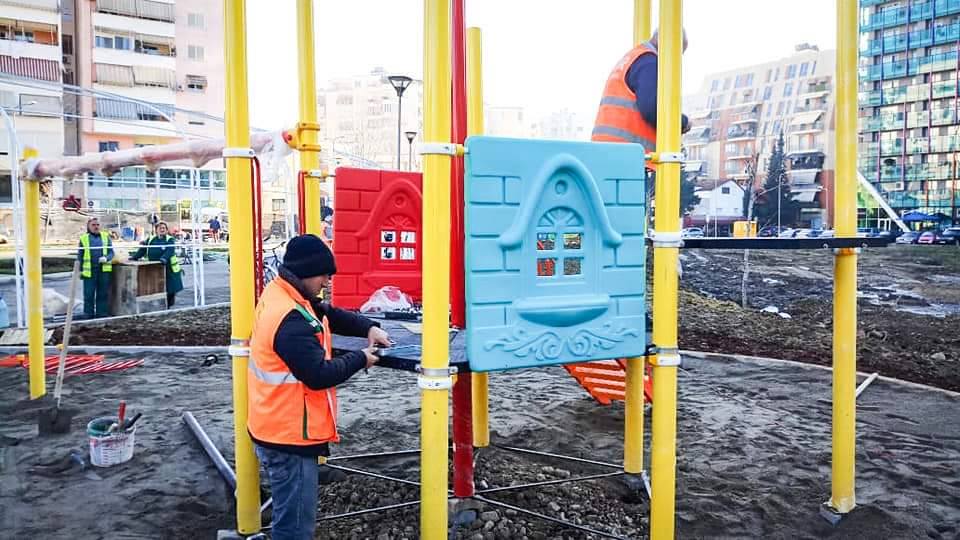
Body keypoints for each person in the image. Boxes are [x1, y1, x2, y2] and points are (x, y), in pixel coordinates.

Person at [247, 234, 390, 540]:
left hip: (275, 426)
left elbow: (327, 313)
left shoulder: (285, 294)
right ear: (306, 272)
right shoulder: (289, 318)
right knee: (295, 527)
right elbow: (319, 374)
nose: (327, 281)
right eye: (324, 275)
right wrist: (361, 358)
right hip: (289, 437)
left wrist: (368, 327)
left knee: (291, 516)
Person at [592, 28, 690, 150]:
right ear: (666, 42)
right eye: (676, 53)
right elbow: (652, 108)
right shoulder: (649, 62)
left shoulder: (633, 58)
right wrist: (683, 123)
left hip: (608, 150)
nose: (675, 61)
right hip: (628, 154)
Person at [129, 222, 184, 308]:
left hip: (169, 268)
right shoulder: (151, 239)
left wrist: (164, 258)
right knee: (158, 287)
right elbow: (143, 250)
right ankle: (160, 305)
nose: (162, 230)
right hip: (155, 268)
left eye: (164, 228)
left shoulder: (169, 239)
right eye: (160, 228)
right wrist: (135, 257)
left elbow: (170, 250)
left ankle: (169, 305)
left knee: (170, 287)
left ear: (166, 230)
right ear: (156, 230)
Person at [77, 218, 114, 319]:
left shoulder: (106, 237)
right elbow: (80, 256)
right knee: (88, 294)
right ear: (88, 227)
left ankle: (101, 314)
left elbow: (111, 252)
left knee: (102, 293)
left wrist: (106, 258)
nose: (96, 226)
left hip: (103, 270)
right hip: (89, 272)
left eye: (97, 224)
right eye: (93, 225)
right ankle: (88, 314)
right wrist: (79, 271)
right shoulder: (84, 238)